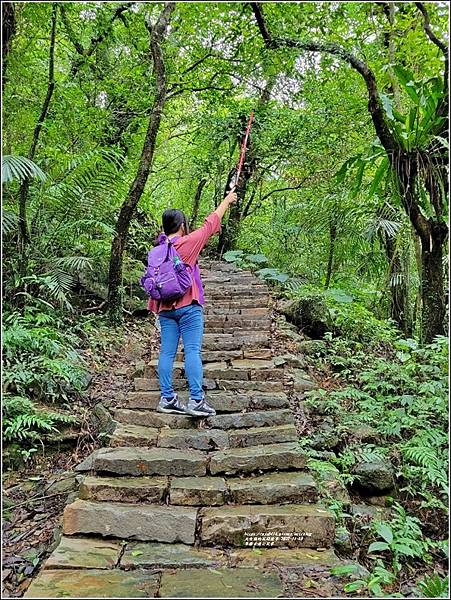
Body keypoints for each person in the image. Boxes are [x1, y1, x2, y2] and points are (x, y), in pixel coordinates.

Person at [147, 189, 238, 418]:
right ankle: (196, 400)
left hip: (165, 309)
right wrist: (227, 200)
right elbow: (211, 223)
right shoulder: (188, 243)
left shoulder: (157, 250)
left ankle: (167, 398)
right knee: (192, 351)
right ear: (182, 226)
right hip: (189, 306)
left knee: (166, 353)